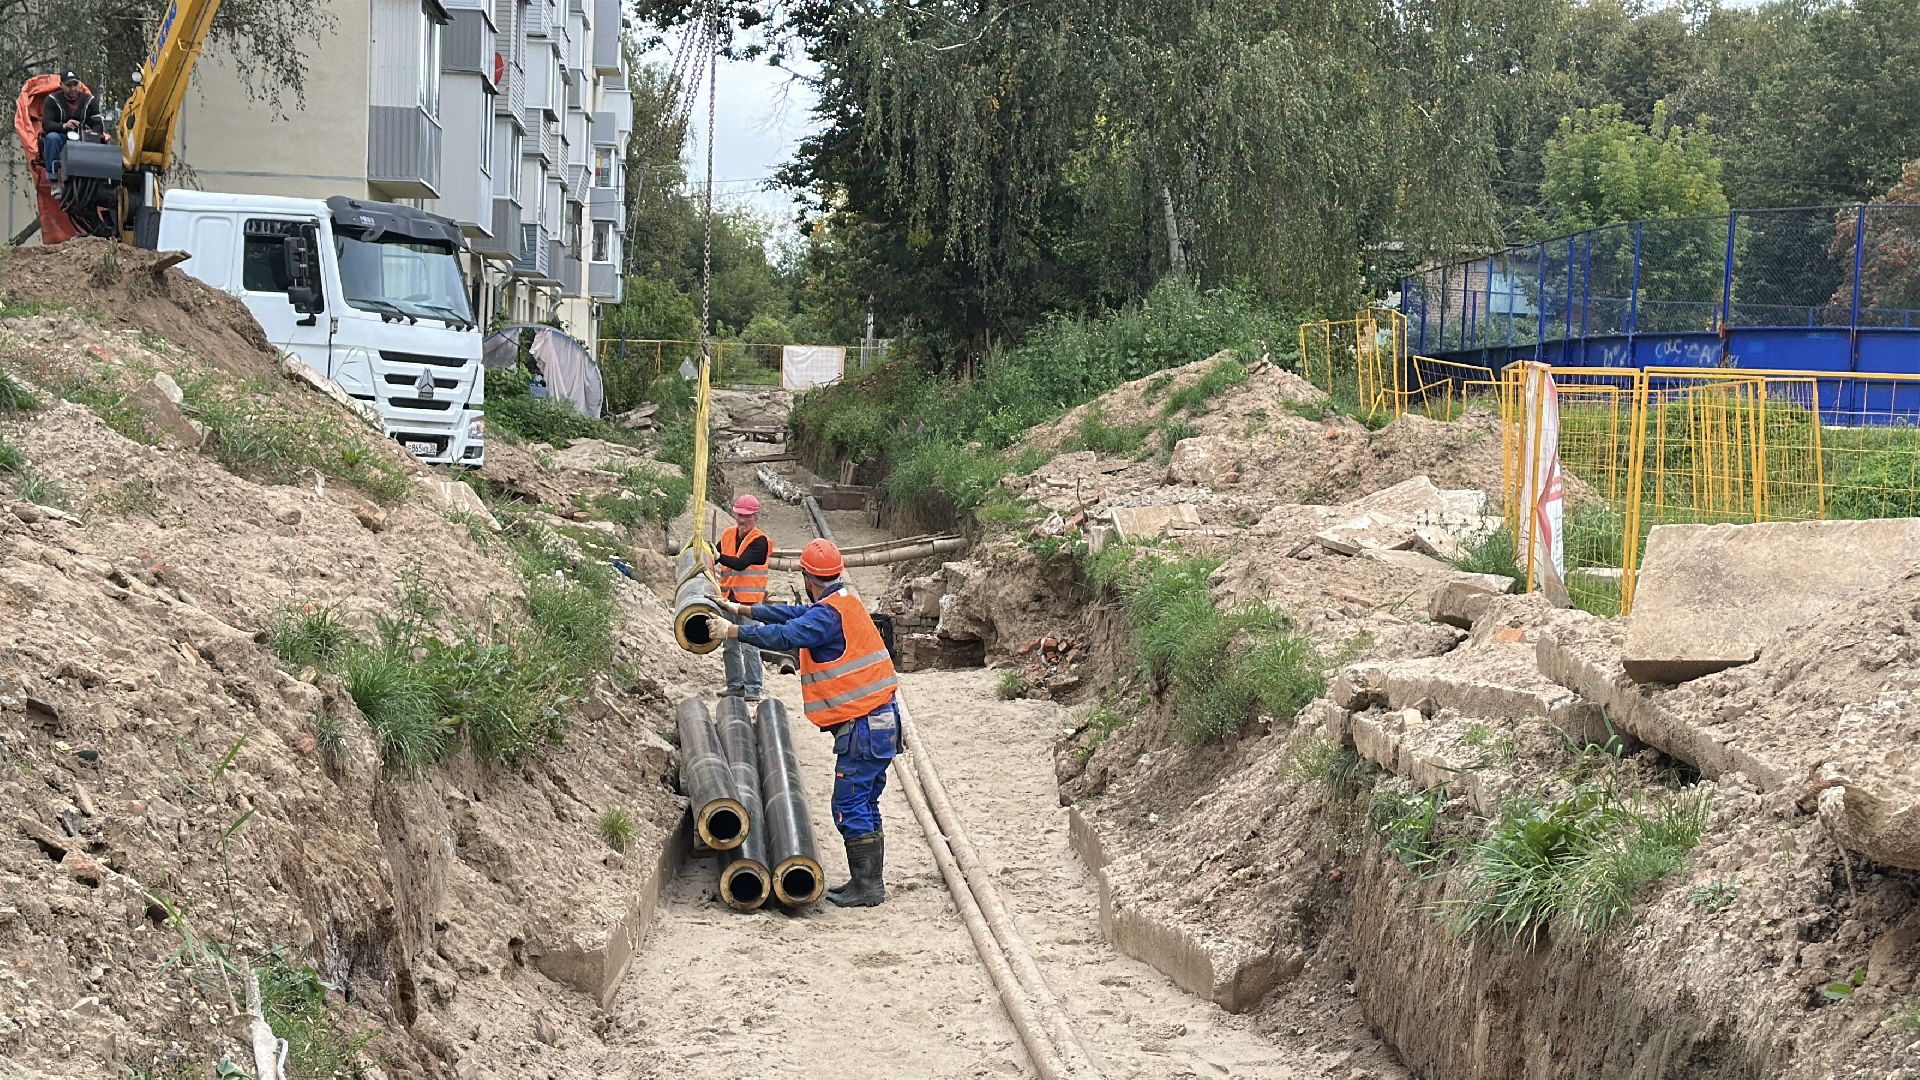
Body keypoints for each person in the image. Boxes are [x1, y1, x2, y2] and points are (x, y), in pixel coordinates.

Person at [712, 538, 898, 908]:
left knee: (849, 805)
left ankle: (869, 887)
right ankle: (865, 883)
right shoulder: (841, 602)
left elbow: (787, 635)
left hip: (863, 727)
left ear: (807, 575)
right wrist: (741, 609)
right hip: (880, 722)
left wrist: (732, 630)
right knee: (865, 801)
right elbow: (791, 616)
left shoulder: (826, 617)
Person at [712, 494, 770, 702]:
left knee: (750, 645)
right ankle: (735, 685)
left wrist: (718, 556)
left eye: (746, 516)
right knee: (729, 644)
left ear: (756, 517)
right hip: (729, 598)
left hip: (750, 602)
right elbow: (713, 555)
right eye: (739, 515)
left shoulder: (760, 541)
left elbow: (740, 563)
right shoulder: (728, 535)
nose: (742, 520)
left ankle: (753, 688)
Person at [41, 69, 102, 200]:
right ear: (62, 85)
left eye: (75, 85)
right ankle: (54, 181)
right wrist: (64, 126)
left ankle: (95, 182)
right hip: (62, 137)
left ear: (79, 84)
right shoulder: (52, 100)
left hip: (82, 138)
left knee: (98, 141)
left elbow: (98, 123)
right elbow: (46, 124)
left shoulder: (89, 101)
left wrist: (91, 132)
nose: (73, 89)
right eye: (69, 85)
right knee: (52, 138)